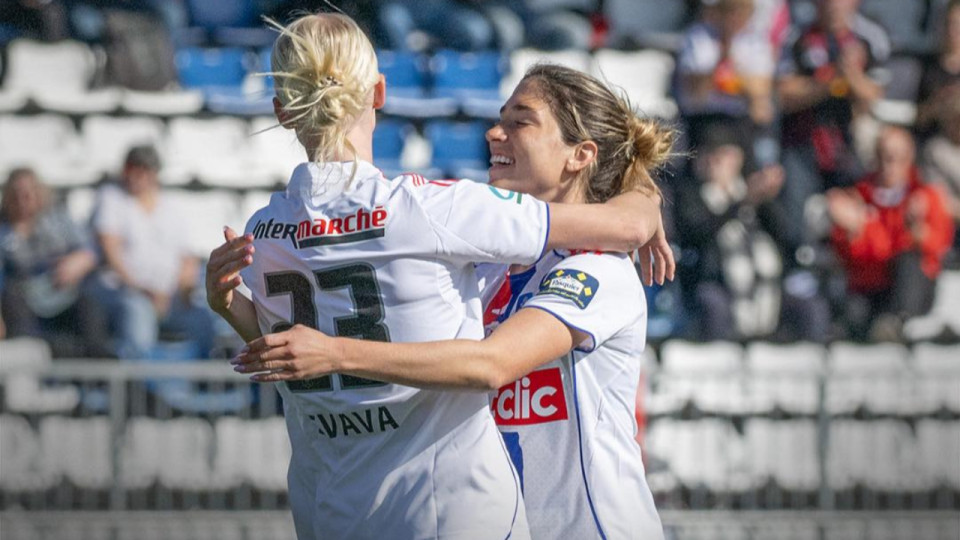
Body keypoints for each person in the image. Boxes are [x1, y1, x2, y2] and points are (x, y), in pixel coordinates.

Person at [205, 13, 671, 540]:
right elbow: (311, 351)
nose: (493, 131)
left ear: (581, 155)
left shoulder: (596, 269)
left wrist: (644, 194)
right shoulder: (478, 264)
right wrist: (235, 306)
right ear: (377, 93)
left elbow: (490, 363)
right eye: (499, 117)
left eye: (521, 121)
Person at [777, 0, 890, 242]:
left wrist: (850, 73)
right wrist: (829, 80)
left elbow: (873, 97)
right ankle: (798, 255)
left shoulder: (869, 37)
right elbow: (784, 94)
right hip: (803, 141)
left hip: (848, 144)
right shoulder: (797, 37)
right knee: (795, 220)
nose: (834, 5)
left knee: (854, 218)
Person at [827, 127, 954, 340]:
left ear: (909, 158)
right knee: (852, 312)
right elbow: (850, 253)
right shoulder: (859, 195)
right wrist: (854, 230)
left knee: (908, 261)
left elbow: (939, 246)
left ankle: (901, 323)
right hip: (872, 287)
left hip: (911, 290)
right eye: (884, 156)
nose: (890, 164)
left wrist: (919, 234)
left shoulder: (925, 196)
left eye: (898, 157)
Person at [91, 145, 215, 360]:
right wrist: (144, 291)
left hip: (170, 297)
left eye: (142, 170)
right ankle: (139, 379)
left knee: (202, 320)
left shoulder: (172, 207)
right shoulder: (112, 198)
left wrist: (181, 292)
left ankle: (204, 376)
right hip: (128, 293)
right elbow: (111, 251)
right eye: (131, 169)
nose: (135, 176)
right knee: (138, 317)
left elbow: (188, 258)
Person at [0, 168, 111, 357]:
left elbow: (91, 250)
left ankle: (98, 364)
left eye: (28, 193)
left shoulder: (57, 219)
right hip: (23, 300)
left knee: (90, 308)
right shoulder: (4, 230)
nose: (23, 200)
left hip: (62, 293)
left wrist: (79, 261)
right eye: (16, 194)